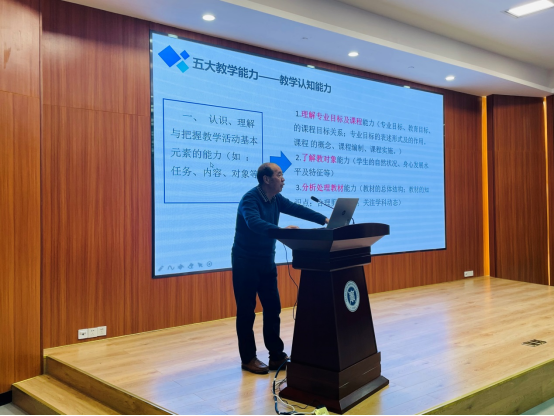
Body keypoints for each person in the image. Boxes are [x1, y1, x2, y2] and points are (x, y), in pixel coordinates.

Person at [232, 162, 329, 374]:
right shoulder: (250, 199)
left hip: (266, 260)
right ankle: (248, 359)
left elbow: (296, 209)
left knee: (273, 308)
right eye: (279, 174)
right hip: (245, 262)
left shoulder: (276, 199)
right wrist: (281, 231)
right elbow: (254, 223)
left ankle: (276, 356)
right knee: (247, 312)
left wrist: (324, 219)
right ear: (266, 179)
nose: (283, 178)